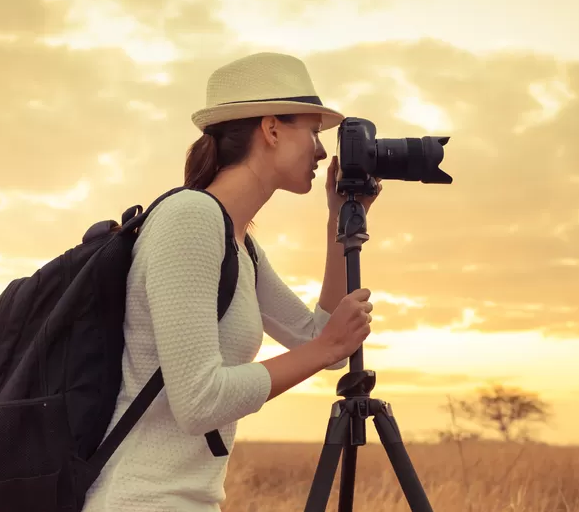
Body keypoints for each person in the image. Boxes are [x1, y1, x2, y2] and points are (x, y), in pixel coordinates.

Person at [82, 52, 379, 511]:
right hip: (141, 500)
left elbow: (320, 340)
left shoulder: (240, 245)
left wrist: (337, 220)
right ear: (272, 128)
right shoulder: (190, 219)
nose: (322, 151)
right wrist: (325, 348)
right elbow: (200, 402)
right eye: (313, 132)